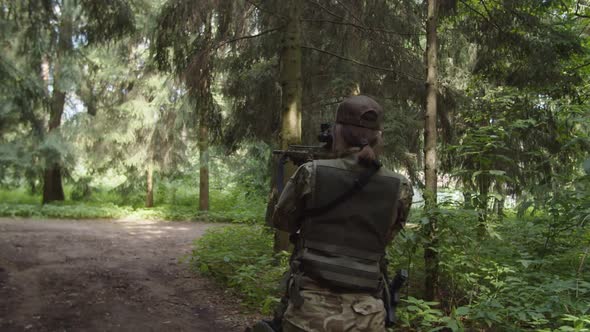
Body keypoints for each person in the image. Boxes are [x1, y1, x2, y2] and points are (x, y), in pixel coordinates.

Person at [271, 95, 414, 332]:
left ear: (337, 133)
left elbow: (282, 222)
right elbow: (386, 237)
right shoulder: (400, 187)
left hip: (309, 312)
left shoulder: (311, 173)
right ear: (378, 137)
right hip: (368, 316)